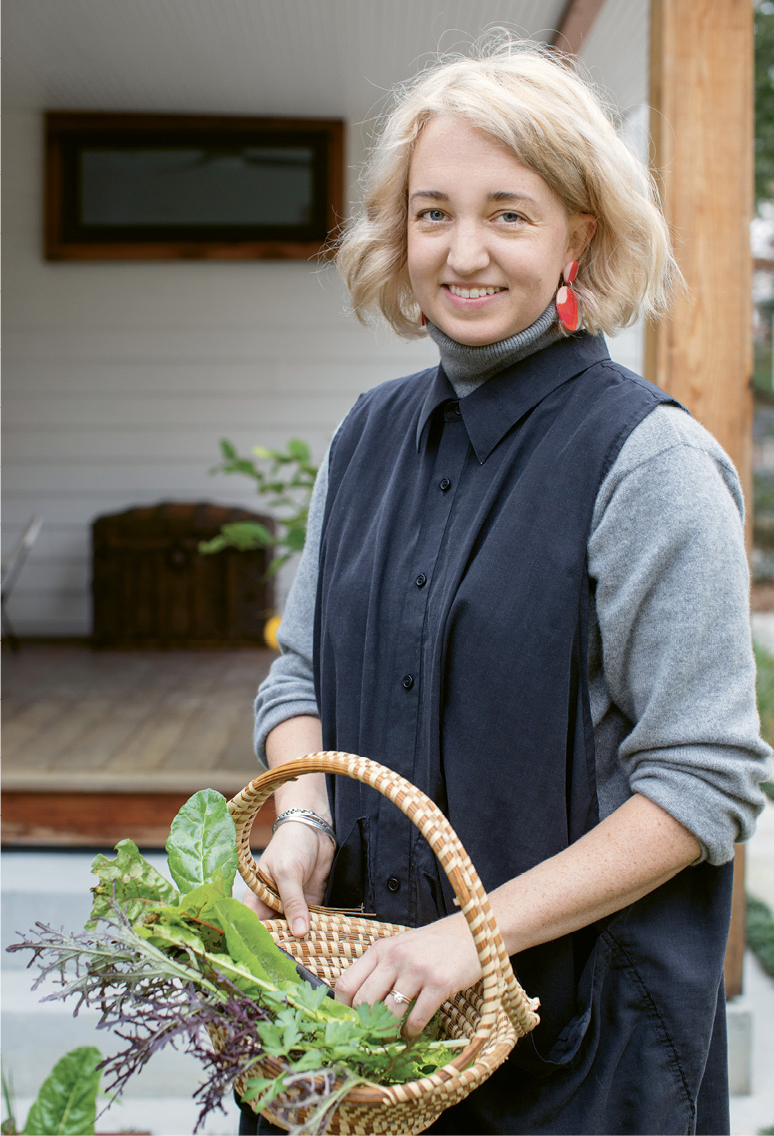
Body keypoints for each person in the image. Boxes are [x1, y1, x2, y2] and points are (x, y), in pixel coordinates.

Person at [239, 38, 770, 1136]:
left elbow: (702, 780)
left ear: (580, 231)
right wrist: (303, 813)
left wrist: (470, 933)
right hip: (358, 1031)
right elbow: (300, 673)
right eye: (433, 213)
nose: (463, 252)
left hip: (577, 1058)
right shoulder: (367, 435)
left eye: (508, 214)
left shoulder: (650, 464)